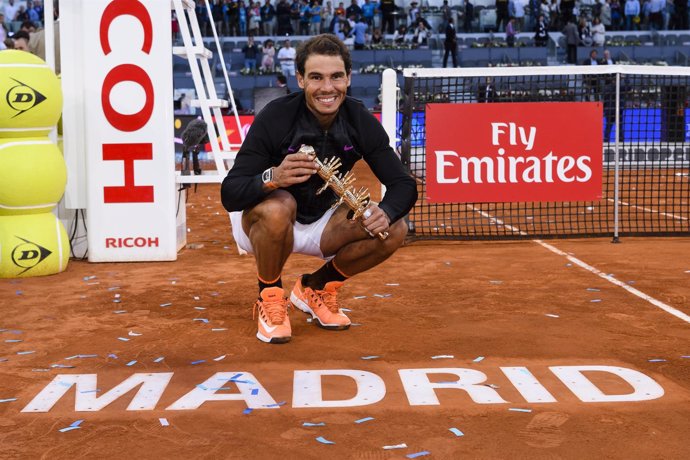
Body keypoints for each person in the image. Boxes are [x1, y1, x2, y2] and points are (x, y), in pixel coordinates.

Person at [221, 34, 417, 344]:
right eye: (316, 77)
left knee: (394, 229)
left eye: (336, 76)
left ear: (348, 78)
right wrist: (273, 177)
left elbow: (403, 184)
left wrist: (388, 211)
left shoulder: (359, 119)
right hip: (263, 222)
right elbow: (230, 192)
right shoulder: (275, 116)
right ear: (300, 79)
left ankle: (315, 287)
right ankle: (269, 296)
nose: (328, 87)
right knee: (279, 204)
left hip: (321, 222)